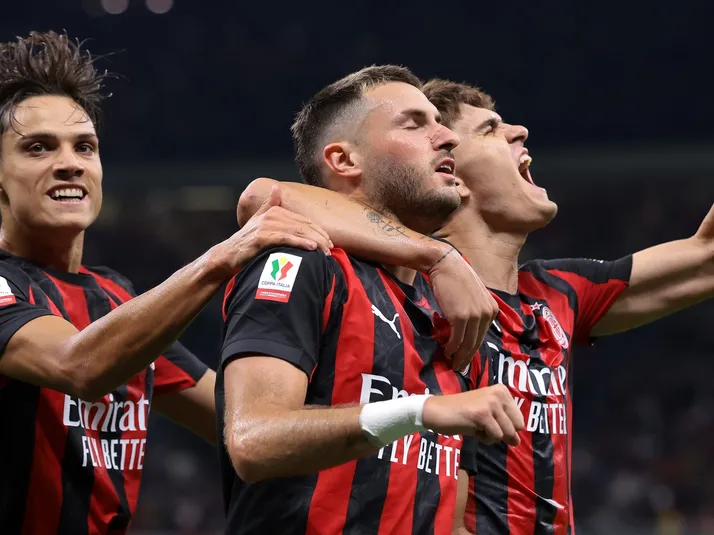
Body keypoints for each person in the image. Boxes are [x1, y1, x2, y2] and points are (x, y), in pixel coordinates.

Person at [238, 79, 714, 535]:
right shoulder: (412, 298)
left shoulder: (556, 293)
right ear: (453, 175)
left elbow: (705, 258)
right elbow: (265, 197)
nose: (520, 131)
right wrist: (436, 256)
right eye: (490, 129)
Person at [0, 31, 332, 535]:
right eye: (38, 148)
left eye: (85, 146)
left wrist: (398, 414)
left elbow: (236, 421)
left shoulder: (115, 298)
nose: (69, 163)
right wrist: (224, 257)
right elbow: (79, 364)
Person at [218, 65, 525, 535]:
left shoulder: (456, 314)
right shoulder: (303, 262)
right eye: (414, 124)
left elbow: (452, 520)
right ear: (344, 160)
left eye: (439, 123)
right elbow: (253, 440)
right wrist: (418, 411)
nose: (447, 138)